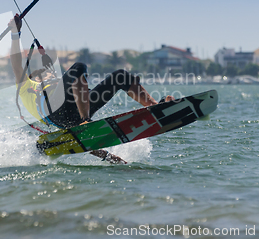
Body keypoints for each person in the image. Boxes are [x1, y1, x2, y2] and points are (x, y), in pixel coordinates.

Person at [9, 14, 174, 164]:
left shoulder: (61, 85)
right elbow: (16, 63)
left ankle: (155, 107)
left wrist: (108, 157)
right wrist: (15, 34)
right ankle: (86, 119)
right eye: (44, 74)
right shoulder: (26, 86)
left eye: (50, 74)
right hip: (54, 112)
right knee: (79, 67)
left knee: (120, 76)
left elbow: (79, 137)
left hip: (77, 113)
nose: (49, 75)